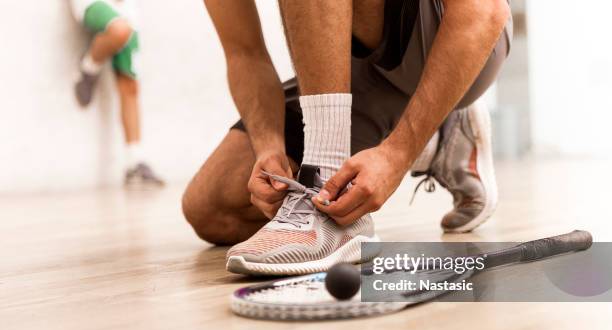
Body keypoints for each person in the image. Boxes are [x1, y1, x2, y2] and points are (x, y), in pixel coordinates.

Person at [182, 0, 512, 275]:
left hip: (461, 42)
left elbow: (484, 13)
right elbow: (244, 53)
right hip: (359, 76)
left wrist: (397, 155)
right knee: (211, 209)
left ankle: (324, 174)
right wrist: (268, 145)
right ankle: (439, 138)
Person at [69, 0, 164, 187]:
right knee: (119, 30)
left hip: (126, 9)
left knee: (130, 84)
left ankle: (134, 163)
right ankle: (88, 66)